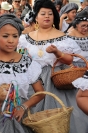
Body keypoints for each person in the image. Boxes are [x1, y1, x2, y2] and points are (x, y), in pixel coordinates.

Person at [18, 0, 88, 132]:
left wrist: (57, 52)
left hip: (55, 80)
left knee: (57, 118)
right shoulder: (25, 38)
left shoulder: (63, 37)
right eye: (43, 13)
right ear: (36, 17)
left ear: (54, 16)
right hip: (31, 81)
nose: (47, 16)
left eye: (50, 14)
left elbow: (69, 60)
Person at [0, 14, 45, 132]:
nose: (11, 40)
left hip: (18, 116)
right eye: (5, 36)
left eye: (15, 36)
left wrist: (23, 107)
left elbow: (40, 93)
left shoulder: (28, 63)